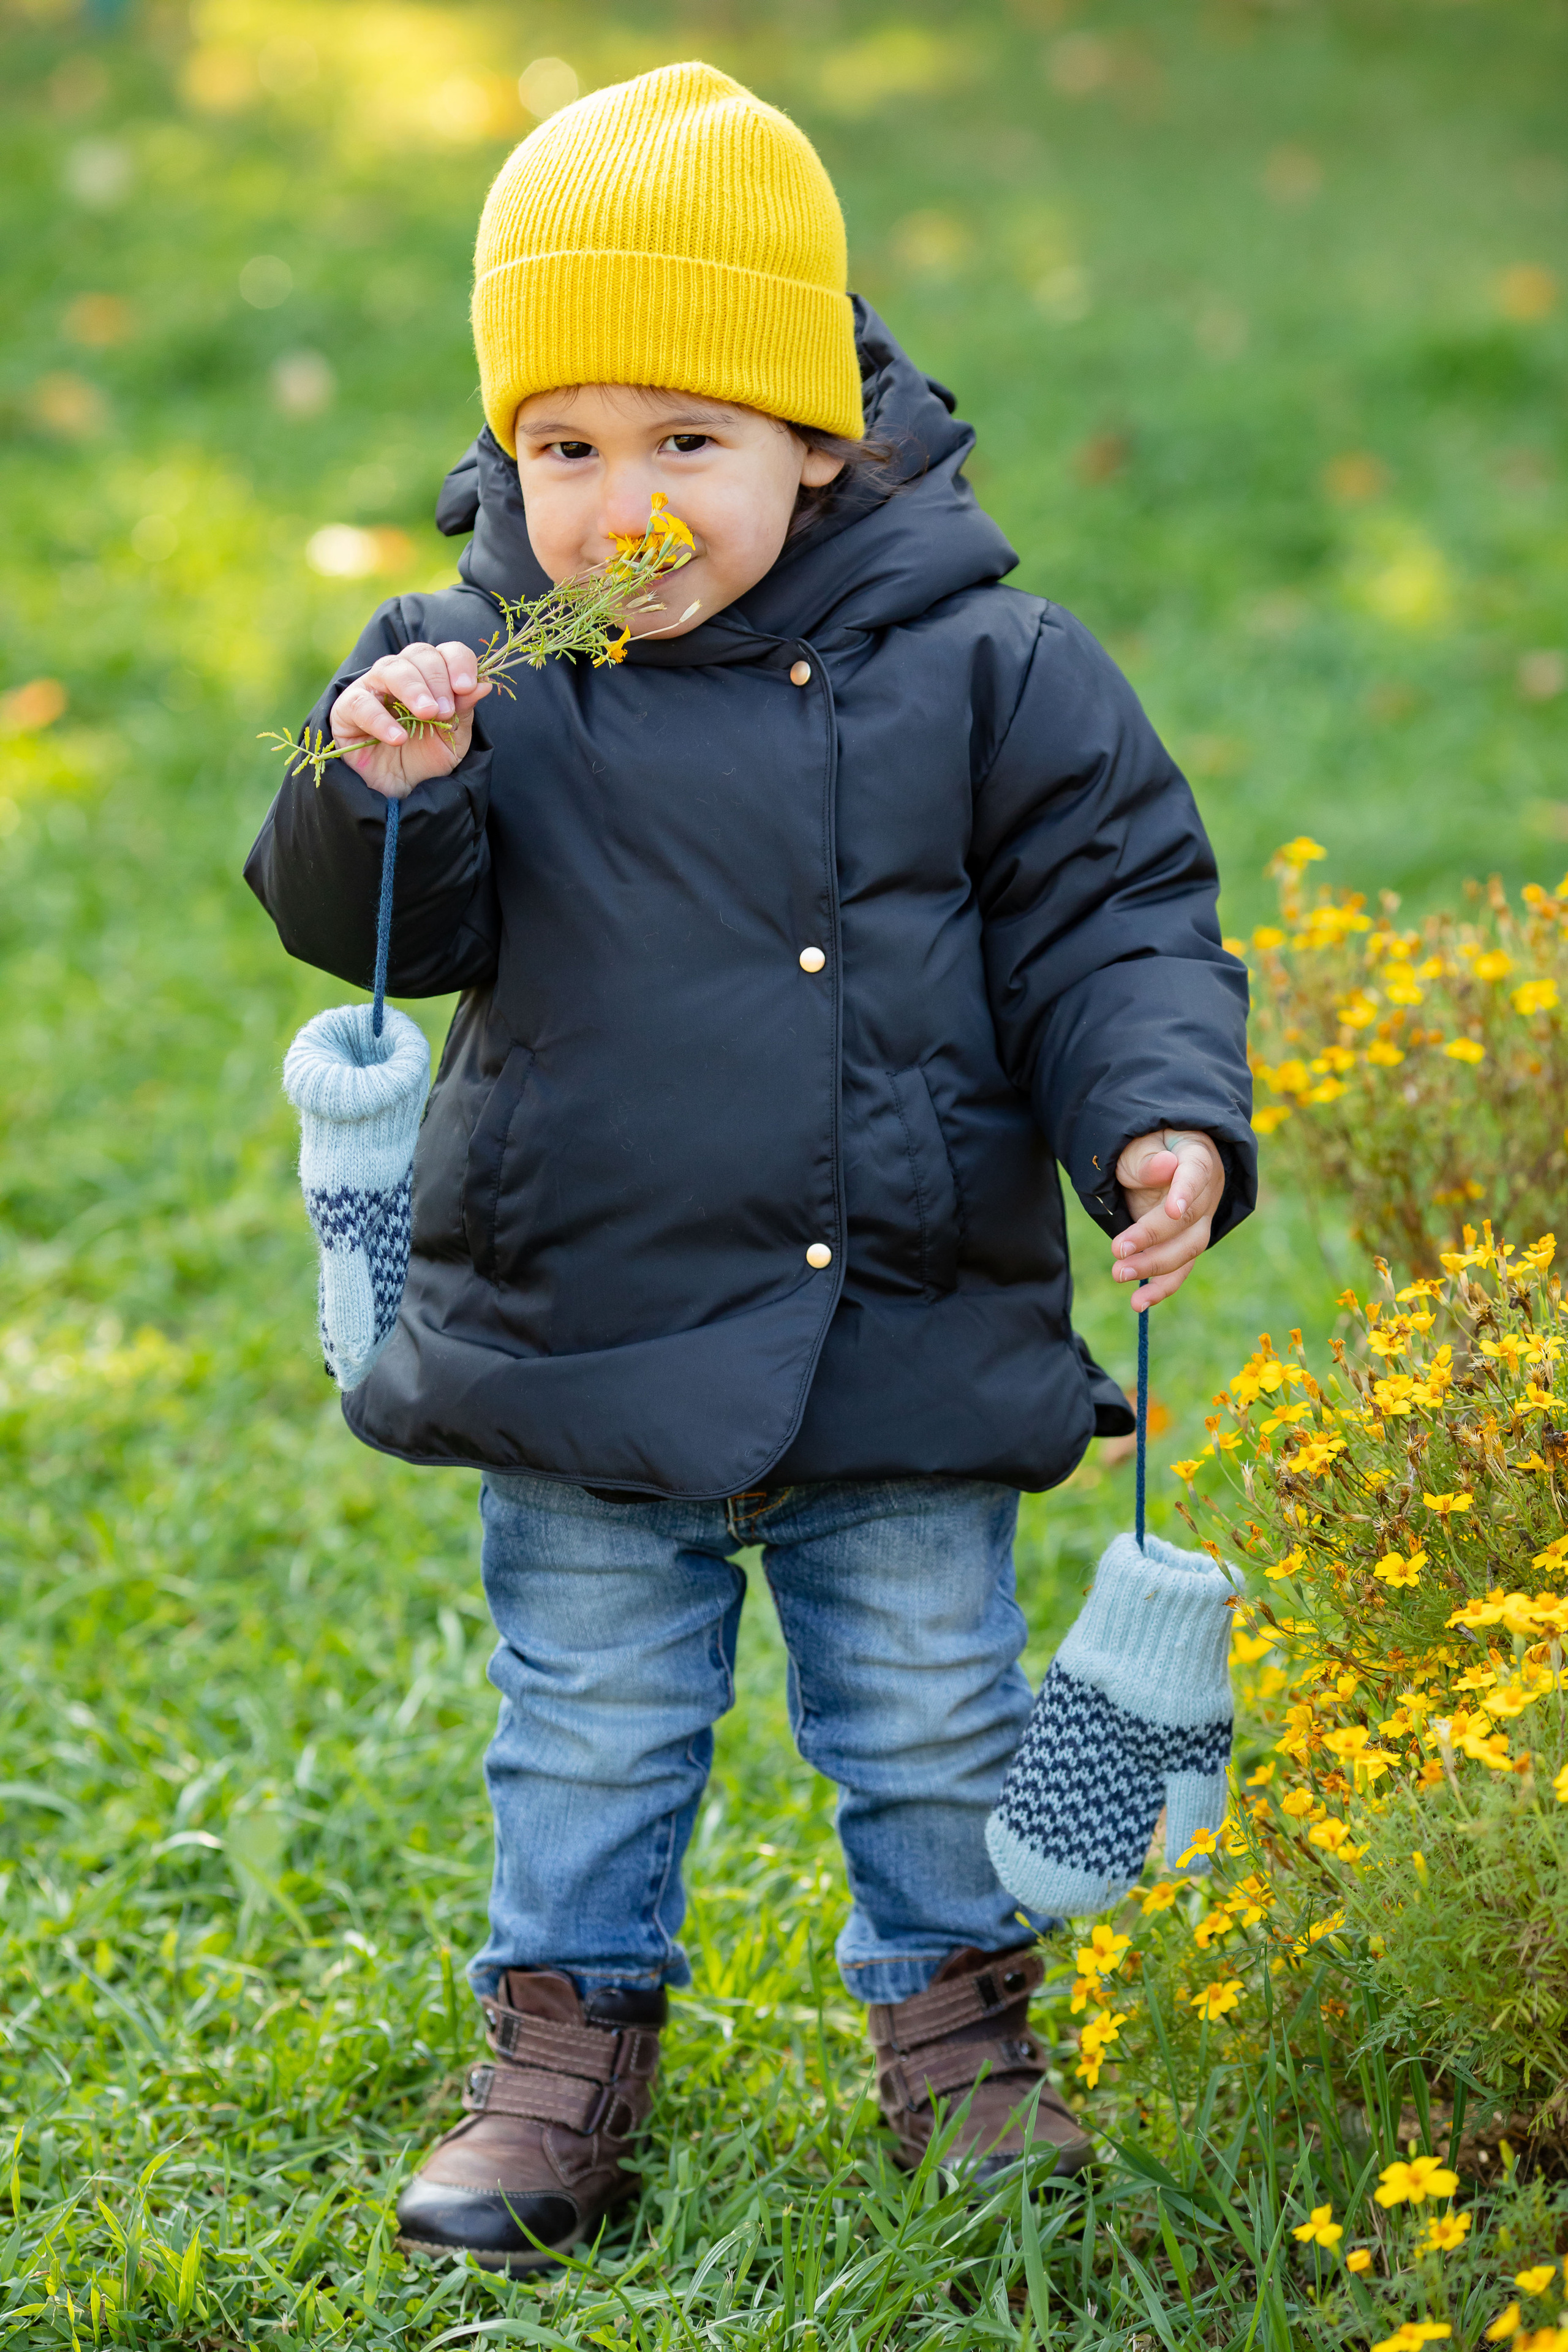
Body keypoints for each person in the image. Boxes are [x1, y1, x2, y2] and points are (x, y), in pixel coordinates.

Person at [246, 59, 1254, 2274]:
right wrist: (381, 789)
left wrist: (1159, 1110)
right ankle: (562, 2052)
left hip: (897, 1307)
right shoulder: (463, 671)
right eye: (566, 446)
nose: (626, 508)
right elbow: (369, 927)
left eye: (690, 443)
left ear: (821, 435)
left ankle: (962, 2038)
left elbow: (1116, 918)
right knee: (592, 1728)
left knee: (928, 1719)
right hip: (581, 1313)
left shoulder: (995, 671)